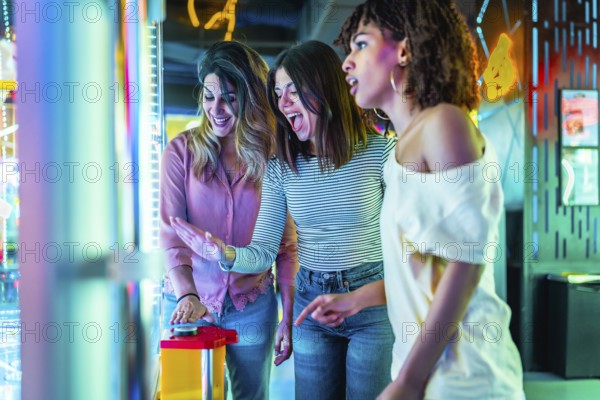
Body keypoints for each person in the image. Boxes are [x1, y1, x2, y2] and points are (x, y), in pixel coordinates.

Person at [298, 1, 525, 399]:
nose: (347, 63)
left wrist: (410, 380)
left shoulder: (443, 123)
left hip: (465, 378)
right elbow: (424, 269)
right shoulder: (400, 151)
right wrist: (355, 300)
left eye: (361, 44)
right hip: (424, 371)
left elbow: (466, 261)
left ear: (403, 50)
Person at [171, 40, 396, 400]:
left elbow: (408, 245)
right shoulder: (281, 168)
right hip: (313, 301)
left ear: (326, 89)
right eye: (278, 93)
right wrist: (223, 253)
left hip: (370, 303)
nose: (283, 102)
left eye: (293, 91)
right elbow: (262, 251)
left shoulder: (381, 154)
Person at [160, 40, 299, 400]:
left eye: (229, 98)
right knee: (184, 396)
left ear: (250, 97)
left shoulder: (273, 159)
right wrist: (186, 294)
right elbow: (171, 235)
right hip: (188, 303)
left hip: (251, 306)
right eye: (209, 97)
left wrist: (288, 313)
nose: (216, 109)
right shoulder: (181, 152)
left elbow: (286, 247)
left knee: (251, 396)